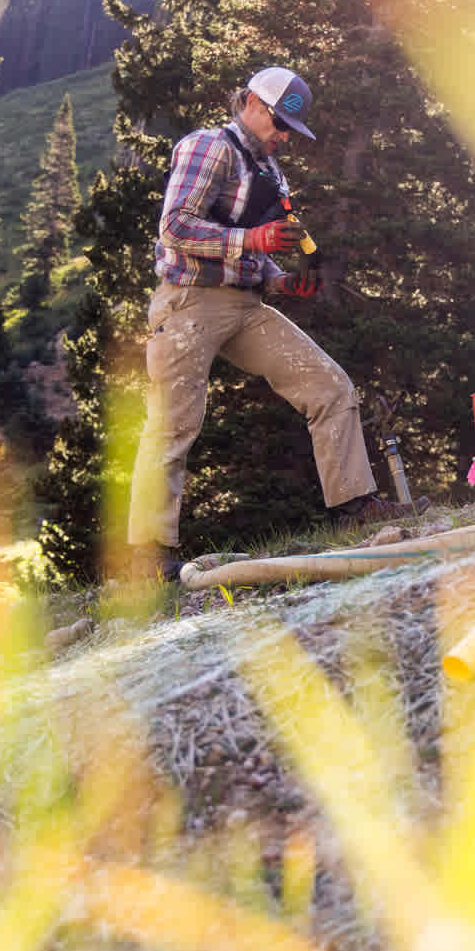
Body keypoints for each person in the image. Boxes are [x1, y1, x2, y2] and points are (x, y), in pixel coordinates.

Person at [127, 65, 418, 582]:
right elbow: (174, 227)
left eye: (291, 129)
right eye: (280, 123)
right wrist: (252, 241)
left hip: (246, 305)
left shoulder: (272, 174)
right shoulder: (208, 147)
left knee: (328, 384)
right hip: (188, 303)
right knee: (173, 423)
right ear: (253, 104)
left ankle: (355, 507)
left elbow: (256, 255)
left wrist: (280, 281)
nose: (284, 136)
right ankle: (149, 559)